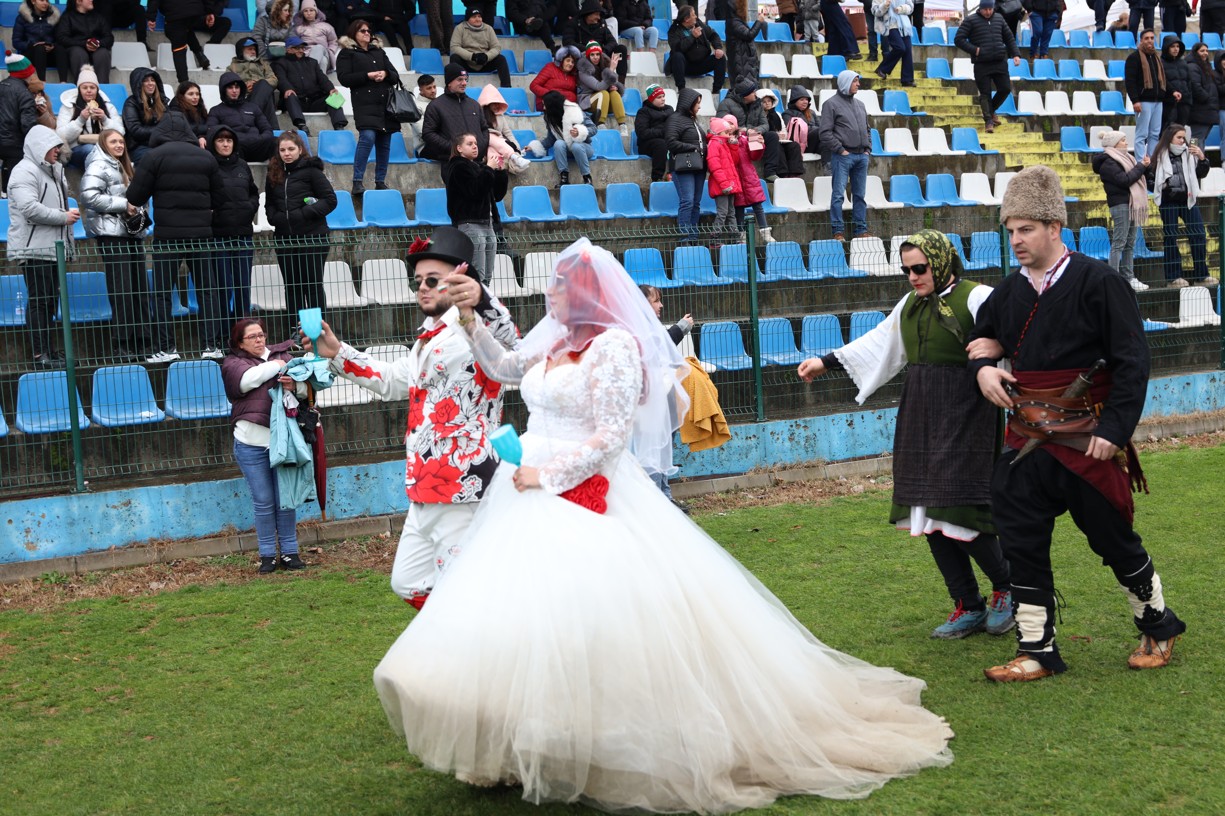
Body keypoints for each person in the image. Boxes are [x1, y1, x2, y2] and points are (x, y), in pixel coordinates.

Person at [372, 238, 955, 809]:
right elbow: (502, 366)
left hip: (578, 489)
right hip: (523, 491)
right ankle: (514, 736)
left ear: (589, 292)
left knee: (587, 621)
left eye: (560, 285)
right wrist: (471, 319)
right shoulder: (553, 339)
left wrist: (546, 475)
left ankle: (595, 739)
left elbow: (611, 438)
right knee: (518, 619)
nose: (550, 294)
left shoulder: (614, 347)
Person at [969, 165, 1187, 682]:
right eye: (1011, 230)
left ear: (1054, 227)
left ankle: (1158, 624)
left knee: (1113, 540)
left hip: (1087, 438)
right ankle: (1036, 649)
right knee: (1020, 542)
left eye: (1026, 229)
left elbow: (1132, 362)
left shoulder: (1100, 282)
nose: (1016, 240)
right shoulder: (1007, 293)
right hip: (1025, 441)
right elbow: (980, 342)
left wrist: (1114, 431)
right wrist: (984, 370)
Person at [798, 230, 1014, 639]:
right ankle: (968, 603)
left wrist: (1001, 359)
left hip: (968, 411)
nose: (913, 277)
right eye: (907, 270)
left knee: (959, 504)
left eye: (920, 268)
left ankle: (1009, 588)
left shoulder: (978, 297)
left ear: (941, 261)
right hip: (921, 412)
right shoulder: (910, 304)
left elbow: (1012, 337)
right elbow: (880, 342)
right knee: (924, 509)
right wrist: (825, 362)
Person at [306, 226, 518, 606]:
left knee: (460, 589)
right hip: (424, 484)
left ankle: (479, 634)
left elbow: (511, 341)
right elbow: (391, 380)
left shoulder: (476, 328)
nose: (422, 287)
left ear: (461, 281)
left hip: (463, 483)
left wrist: (482, 298)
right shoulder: (427, 338)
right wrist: (337, 352)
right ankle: (483, 625)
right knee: (408, 582)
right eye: (417, 280)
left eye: (433, 280)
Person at [126, 111, 224, 364]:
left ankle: (166, 348)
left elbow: (135, 196)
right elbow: (220, 197)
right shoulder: (205, 157)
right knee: (207, 291)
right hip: (201, 235)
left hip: (168, 236)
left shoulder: (153, 156)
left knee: (162, 293)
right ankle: (211, 345)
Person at [221, 317, 308, 574]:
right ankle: (267, 555)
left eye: (261, 335)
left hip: (283, 443)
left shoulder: (284, 355)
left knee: (285, 500)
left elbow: (308, 389)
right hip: (250, 444)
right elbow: (245, 382)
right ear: (239, 343)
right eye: (252, 337)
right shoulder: (232, 363)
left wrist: (296, 385)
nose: (259, 340)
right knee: (264, 501)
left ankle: (290, 552)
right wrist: (278, 365)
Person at [6, 125, 78, 368]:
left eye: (58, 146)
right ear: (40, 147)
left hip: (52, 248)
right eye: (53, 146)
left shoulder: (53, 170)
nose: (58, 150)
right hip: (34, 249)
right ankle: (40, 355)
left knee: (49, 301)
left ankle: (49, 350)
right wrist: (63, 217)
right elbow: (29, 208)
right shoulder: (24, 171)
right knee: (39, 301)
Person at [80, 127, 150, 361]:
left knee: (139, 289)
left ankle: (142, 341)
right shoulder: (98, 165)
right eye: (113, 142)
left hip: (132, 233)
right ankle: (122, 344)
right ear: (103, 144)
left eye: (121, 141)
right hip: (111, 234)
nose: (119, 145)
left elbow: (139, 197)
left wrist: (140, 210)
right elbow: (88, 196)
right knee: (122, 291)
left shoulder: (126, 166)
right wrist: (123, 205)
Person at [265, 131, 336, 318]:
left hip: (312, 238)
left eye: (291, 149)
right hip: (284, 239)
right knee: (292, 287)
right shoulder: (273, 173)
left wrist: (304, 214)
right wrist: (275, 218)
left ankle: (316, 330)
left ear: (300, 149)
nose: (286, 153)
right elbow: (269, 204)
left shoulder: (312, 171)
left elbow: (330, 200)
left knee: (312, 287)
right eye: (282, 150)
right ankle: (295, 329)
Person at [204, 124, 260, 358]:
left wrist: (249, 208)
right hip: (219, 237)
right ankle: (225, 336)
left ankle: (243, 337)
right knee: (223, 289)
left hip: (243, 235)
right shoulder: (208, 166)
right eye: (221, 140)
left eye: (229, 140)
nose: (225, 144)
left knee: (242, 289)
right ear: (213, 143)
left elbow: (253, 193)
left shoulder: (242, 165)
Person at [337, 19, 401, 194]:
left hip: (385, 104)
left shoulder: (378, 51)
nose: (367, 33)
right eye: (362, 31)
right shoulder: (347, 53)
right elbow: (344, 78)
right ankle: (357, 181)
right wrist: (368, 75)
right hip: (365, 104)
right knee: (367, 138)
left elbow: (395, 76)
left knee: (384, 143)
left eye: (368, 30)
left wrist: (385, 73)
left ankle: (380, 181)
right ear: (353, 33)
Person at [1151, 123, 1215, 288]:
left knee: (1198, 234)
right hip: (1169, 201)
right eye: (1179, 137)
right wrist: (1165, 188)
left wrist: (1202, 158)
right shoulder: (1159, 155)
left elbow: (1201, 174)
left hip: (1188, 200)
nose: (1182, 140)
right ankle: (1173, 277)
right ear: (1169, 138)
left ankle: (1201, 275)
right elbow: (1150, 178)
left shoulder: (1189, 154)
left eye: (1183, 137)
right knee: (1171, 237)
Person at [1091, 130, 1151, 292]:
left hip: (1132, 204)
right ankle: (1114, 278)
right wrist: (1141, 166)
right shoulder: (1108, 162)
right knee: (1119, 243)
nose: (1126, 143)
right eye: (1123, 140)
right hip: (1121, 205)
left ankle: (1128, 277)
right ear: (1114, 144)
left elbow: (1135, 176)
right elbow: (1125, 180)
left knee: (1130, 243)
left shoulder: (1127, 158)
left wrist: (1144, 167)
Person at [444, 132, 507, 283]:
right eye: (470, 144)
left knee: (487, 275)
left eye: (476, 144)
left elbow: (497, 195)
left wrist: (500, 172)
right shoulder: (457, 167)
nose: (475, 147)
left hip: (487, 223)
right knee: (477, 274)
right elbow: (475, 191)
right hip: (470, 224)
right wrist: (489, 169)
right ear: (459, 148)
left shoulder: (478, 167)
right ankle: (473, 298)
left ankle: (482, 298)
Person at [817, 71, 871, 242]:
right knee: (838, 195)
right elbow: (824, 133)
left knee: (860, 195)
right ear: (845, 83)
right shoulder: (830, 104)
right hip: (843, 156)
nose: (858, 84)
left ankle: (861, 229)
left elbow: (867, 129)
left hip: (861, 156)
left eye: (858, 81)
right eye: (855, 81)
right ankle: (838, 231)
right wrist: (840, 150)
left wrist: (867, 149)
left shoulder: (861, 104)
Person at [954, 0, 1021, 134]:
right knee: (985, 93)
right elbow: (959, 39)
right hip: (982, 63)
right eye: (985, 9)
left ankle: (991, 111)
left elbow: (1009, 37)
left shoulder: (999, 18)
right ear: (980, 8)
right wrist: (975, 50)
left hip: (999, 61)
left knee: (1005, 89)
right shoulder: (970, 20)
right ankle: (988, 121)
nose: (988, 12)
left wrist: (1016, 54)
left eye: (990, 9)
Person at [276, 36, 350, 135]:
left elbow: (322, 78)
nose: (301, 50)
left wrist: (331, 89)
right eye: (297, 48)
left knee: (333, 96)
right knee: (290, 95)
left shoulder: (312, 62)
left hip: (314, 101)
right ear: (288, 49)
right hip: (296, 102)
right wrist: (287, 88)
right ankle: (302, 126)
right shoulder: (280, 63)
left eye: (302, 48)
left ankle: (339, 127)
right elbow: (281, 79)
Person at [717, 79, 787, 182]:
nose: (755, 93)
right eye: (753, 91)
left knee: (772, 136)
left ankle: (770, 172)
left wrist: (754, 130)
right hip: (736, 136)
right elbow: (721, 125)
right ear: (746, 95)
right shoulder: (726, 104)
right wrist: (744, 131)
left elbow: (765, 125)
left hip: (753, 135)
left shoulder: (757, 104)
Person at [55, 66, 122, 169]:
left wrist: (105, 120)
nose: (89, 90)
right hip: (77, 149)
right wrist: (80, 120)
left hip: (104, 147)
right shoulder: (68, 107)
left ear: (97, 89)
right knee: (91, 149)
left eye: (92, 87)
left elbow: (121, 132)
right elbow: (60, 135)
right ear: (79, 89)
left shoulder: (108, 106)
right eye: (85, 87)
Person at [146, 0, 226, 83]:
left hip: (175, 14)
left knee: (179, 48)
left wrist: (151, 17)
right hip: (195, 11)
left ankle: (184, 82)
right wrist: (210, 12)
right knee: (186, 29)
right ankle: (200, 54)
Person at [528, 89, 596, 187]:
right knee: (558, 143)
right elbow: (550, 140)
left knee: (576, 146)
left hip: (584, 148)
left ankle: (587, 177)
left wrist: (580, 131)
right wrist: (533, 147)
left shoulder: (575, 111)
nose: (544, 108)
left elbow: (593, 128)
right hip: (567, 149)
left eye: (545, 105)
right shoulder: (552, 118)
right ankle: (564, 178)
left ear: (552, 105)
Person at [724, 112, 775, 242]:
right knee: (739, 208)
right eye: (726, 123)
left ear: (736, 125)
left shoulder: (744, 139)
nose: (729, 126)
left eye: (731, 123)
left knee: (758, 206)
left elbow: (755, 156)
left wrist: (759, 145)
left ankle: (765, 232)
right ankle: (742, 236)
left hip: (749, 177)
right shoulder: (723, 142)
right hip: (735, 179)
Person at [421, 63, 485, 164]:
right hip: (451, 162)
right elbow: (428, 134)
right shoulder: (436, 105)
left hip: (476, 161)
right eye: (460, 79)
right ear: (449, 82)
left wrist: (480, 146)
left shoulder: (474, 104)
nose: (464, 83)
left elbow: (484, 129)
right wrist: (454, 148)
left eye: (465, 79)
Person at [206, 72, 277, 162]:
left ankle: (276, 170)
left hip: (257, 144)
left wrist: (261, 138)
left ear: (241, 89)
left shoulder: (253, 107)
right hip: (236, 147)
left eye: (237, 87)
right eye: (230, 88)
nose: (234, 91)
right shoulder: (216, 110)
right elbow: (212, 131)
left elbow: (267, 128)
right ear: (224, 90)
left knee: (277, 142)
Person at [666, 88, 706, 244]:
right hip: (684, 167)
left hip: (699, 167)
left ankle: (693, 238)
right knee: (687, 201)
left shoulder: (692, 120)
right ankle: (684, 238)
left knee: (696, 203)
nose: (699, 107)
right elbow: (671, 142)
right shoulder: (674, 119)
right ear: (689, 103)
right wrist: (693, 148)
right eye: (697, 103)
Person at [1, 53, 43, 190]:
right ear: (27, 73)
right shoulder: (25, 94)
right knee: (14, 182)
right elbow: (28, 125)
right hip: (14, 145)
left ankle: (3, 193)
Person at [225, 36, 281, 134]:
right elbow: (228, 84)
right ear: (241, 51)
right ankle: (275, 130)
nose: (253, 51)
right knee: (267, 99)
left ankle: (251, 116)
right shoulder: (232, 67)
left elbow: (274, 80)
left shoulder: (263, 64)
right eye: (250, 49)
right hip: (245, 98)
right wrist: (244, 86)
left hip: (261, 94)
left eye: (254, 49)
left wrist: (257, 84)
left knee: (263, 84)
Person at [1124, 30, 1165, 162]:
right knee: (1142, 134)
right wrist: (1135, 100)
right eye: (1146, 38)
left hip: (1158, 101)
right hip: (1143, 101)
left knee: (1155, 134)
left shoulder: (1156, 57)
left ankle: (1151, 161)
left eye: (1152, 38)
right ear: (1141, 40)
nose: (1150, 40)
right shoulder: (1134, 57)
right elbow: (1130, 81)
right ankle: (1141, 162)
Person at [565, 0, 629, 83]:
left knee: (621, 49)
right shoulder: (574, 23)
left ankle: (621, 82)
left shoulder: (602, 23)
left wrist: (603, 50)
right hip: (583, 55)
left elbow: (612, 41)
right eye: (596, 14)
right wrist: (589, 50)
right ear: (588, 13)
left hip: (601, 54)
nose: (599, 17)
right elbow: (567, 42)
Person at [667, 6, 726, 94]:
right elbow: (677, 48)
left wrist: (718, 48)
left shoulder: (698, 24)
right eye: (693, 15)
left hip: (701, 64)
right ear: (686, 19)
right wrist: (692, 37)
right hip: (685, 66)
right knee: (677, 56)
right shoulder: (674, 30)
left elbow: (713, 35)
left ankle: (716, 90)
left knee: (720, 57)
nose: (696, 16)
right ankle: (682, 89)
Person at [53, 0, 112, 84]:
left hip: (97, 48)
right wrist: (84, 44)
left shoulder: (98, 17)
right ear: (78, 1)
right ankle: (82, 86)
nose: (91, 0)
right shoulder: (68, 17)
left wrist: (98, 43)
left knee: (103, 53)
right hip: (76, 48)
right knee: (78, 53)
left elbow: (109, 38)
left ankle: (103, 87)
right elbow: (62, 38)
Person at [121, 67, 169, 165]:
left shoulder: (162, 102)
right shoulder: (131, 103)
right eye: (146, 80)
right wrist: (161, 130)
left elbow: (170, 122)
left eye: (152, 80)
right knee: (155, 158)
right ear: (138, 84)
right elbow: (136, 130)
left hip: (160, 143)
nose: (151, 83)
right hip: (138, 146)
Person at [477, 84, 529, 173]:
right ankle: (513, 157)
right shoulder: (479, 116)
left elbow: (508, 133)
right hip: (484, 145)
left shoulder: (500, 116)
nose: (497, 106)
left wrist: (517, 147)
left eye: (498, 103)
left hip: (498, 146)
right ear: (487, 104)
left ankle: (501, 167)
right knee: (489, 135)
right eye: (494, 103)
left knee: (492, 150)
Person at [12, 0, 68, 81]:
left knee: (60, 48)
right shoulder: (22, 18)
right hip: (31, 55)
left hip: (49, 55)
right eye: (42, 0)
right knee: (39, 48)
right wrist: (31, 45)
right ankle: (42, 81)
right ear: (33, 1)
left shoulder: (53, 17)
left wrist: (52, 45)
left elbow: (59, 38)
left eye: (47, 1)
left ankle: (64, 82)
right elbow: (16, 42)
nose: (45, 3)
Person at [706, 116, 741, 242]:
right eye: (726, 132)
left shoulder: (725, 144)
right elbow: (715, 167)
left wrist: (734, 146)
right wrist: (724, 184)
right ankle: (714, 238)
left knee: (731, 212)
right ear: (719, 132)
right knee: (722, 212)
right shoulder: (714, 144)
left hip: (729, 184)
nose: (728, 135)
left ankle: (735, 237)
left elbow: (734, 161)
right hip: (721, 186)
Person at [577, 41, 626, 132]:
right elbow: (598, 87)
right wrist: (611, 70)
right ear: (588, 56)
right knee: (603, 93)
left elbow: (614, 82)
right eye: (592, 55)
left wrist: (614, 87)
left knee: (614, 93)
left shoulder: (604, 64)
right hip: (588, 102)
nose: (595, 57)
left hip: (604, 102)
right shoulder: (583, 70)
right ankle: (600, 123)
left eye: (597, 54)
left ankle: (622, 125)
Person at [726, 0, 766, 95]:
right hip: (742, 64)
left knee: (751, 93)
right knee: (746, 93)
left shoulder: (736, 22)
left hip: (745, 63)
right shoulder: (734, 22)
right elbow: (749, 35)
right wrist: (759, 21)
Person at [634, 83, 672, 182]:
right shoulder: (643, 112)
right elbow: (642, 133)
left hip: (667, 139)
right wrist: (663, 132)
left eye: (663, 96)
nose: (663, 99)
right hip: (648, 144)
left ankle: (674, 173)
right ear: (651, 99)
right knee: (661, 144)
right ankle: (657, 177)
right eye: (659, 97)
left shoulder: (669, 109)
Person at [873, 0, 915, 86]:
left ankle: (907, 79)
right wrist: (885, 5)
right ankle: (883, 68)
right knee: (900, 48)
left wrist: (901, 8)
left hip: (904, 25)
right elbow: (875, 11)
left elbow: (910, 7)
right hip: (889, 25)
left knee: (907, 51)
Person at [529, 45, 580, 112]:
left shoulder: (574, 74)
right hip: (548, 102)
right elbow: (533, 85)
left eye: (572, 62)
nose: (570, 64)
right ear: (561, 60)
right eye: (568, 61)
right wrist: (551, 95)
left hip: (568, 105)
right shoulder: (550, 67)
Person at [1186, 42, 1218, 146]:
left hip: (1206, 110)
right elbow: (1195, 87)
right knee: (1196, 139)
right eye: (1202, 51)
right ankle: (1193, 156)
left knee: (1200, 138)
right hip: (1199, 111)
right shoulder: (1193, 67)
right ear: (1195, 52)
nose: (1205, 53)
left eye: (1207, 51)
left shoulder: (1204, 66)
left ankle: (1197, 156)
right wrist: (1207, 98)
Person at [1159, 35, 1190, 130]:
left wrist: (1189, 100)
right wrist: (1172, 92)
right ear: (1166, 48)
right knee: (1167, 130)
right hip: (1168, 103)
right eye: (1172, 46)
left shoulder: (1183, 63)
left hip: (1184, 103)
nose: (1176, 49)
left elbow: (1188, 81)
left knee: (1180, 130)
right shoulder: (1160, 63)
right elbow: (1162, 80)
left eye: (1177, 46)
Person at [782, 85, 822, 156]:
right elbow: (793, 132)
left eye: (806, 99)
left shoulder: (811, 112)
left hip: (815, 143)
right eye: (802, 100)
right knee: (819, 131)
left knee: (826, 144)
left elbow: (820, 127)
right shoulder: (787, 114)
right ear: (794, 101)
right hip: (800, 145)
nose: (805, 102)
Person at [169, 80, 210, 147]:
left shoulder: (201, 109)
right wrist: (199, 138)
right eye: (191, 94)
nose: (195, 97)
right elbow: (181, 132)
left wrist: (203, 137)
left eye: (197, 94)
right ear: (182, 96)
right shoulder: (175, 111)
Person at [405, 73, 435, 153]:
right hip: (425, 146)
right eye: (429, 88)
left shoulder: (440, 103)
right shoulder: (415, 107)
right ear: (420, 90)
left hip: (442, 143)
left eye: (434, 87)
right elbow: (423, 132)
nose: (433, 90)